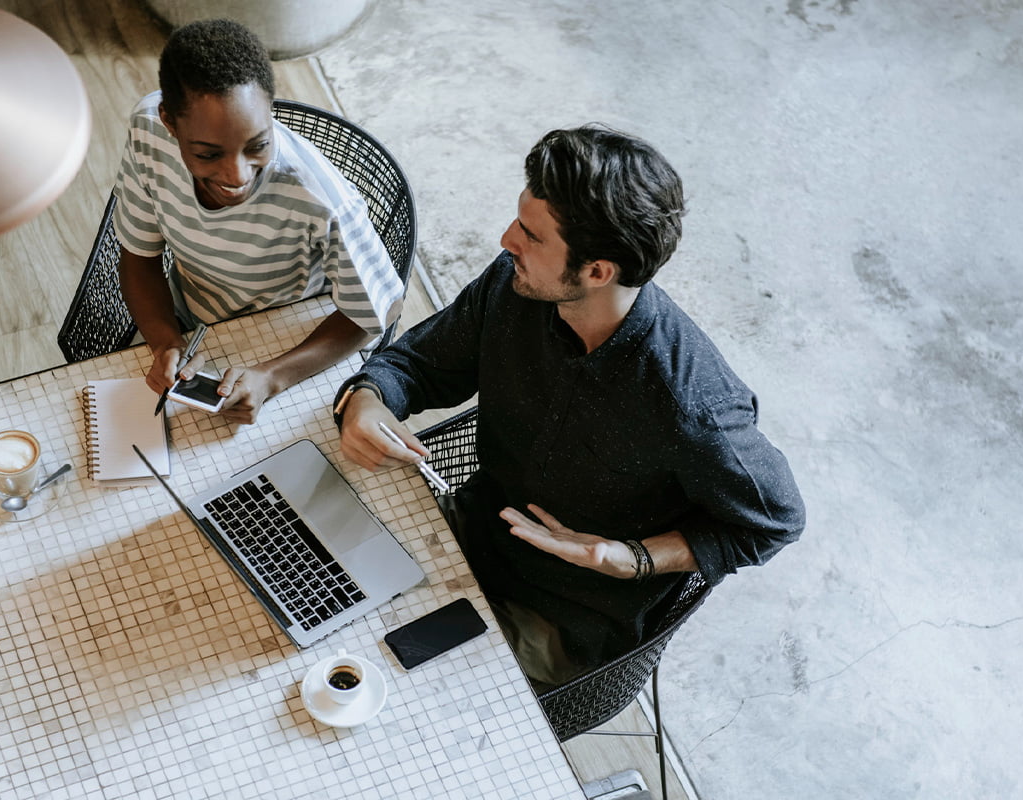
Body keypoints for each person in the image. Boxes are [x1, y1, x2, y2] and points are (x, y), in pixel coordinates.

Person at [334, 125, 806, 689]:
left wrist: (628, 558)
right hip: (468, 535)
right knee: (317, 613)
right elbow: (419, 363)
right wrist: (367, 398)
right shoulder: (517, 285)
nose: (507, 239)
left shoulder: (692, 403)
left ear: (598, 271)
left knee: (403, 702)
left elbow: (775, 522)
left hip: (566, 615)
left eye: (531, 235)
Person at [113, 19, 403, 424]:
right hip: (189, 326)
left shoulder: (324, 202)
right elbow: (138, 257)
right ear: (168, 122)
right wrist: (164, 342)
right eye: (208, 154)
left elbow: (377, 312)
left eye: (258, 145)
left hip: (290, 343)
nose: (237, 176)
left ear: (270, 109)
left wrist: (271, 377)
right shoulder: (147, 130)